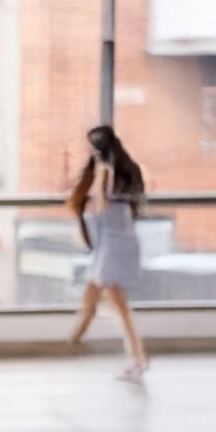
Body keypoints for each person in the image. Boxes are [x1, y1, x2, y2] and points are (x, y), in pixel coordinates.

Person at [66, 124, 149, 382]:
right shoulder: (126, 172)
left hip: (113, 246)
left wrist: (95, 187)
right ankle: (76, 336)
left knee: (118, 304)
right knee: (94, 291)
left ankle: (137, 359)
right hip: (121, 242)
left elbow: (100, 205)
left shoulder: (105, 171)